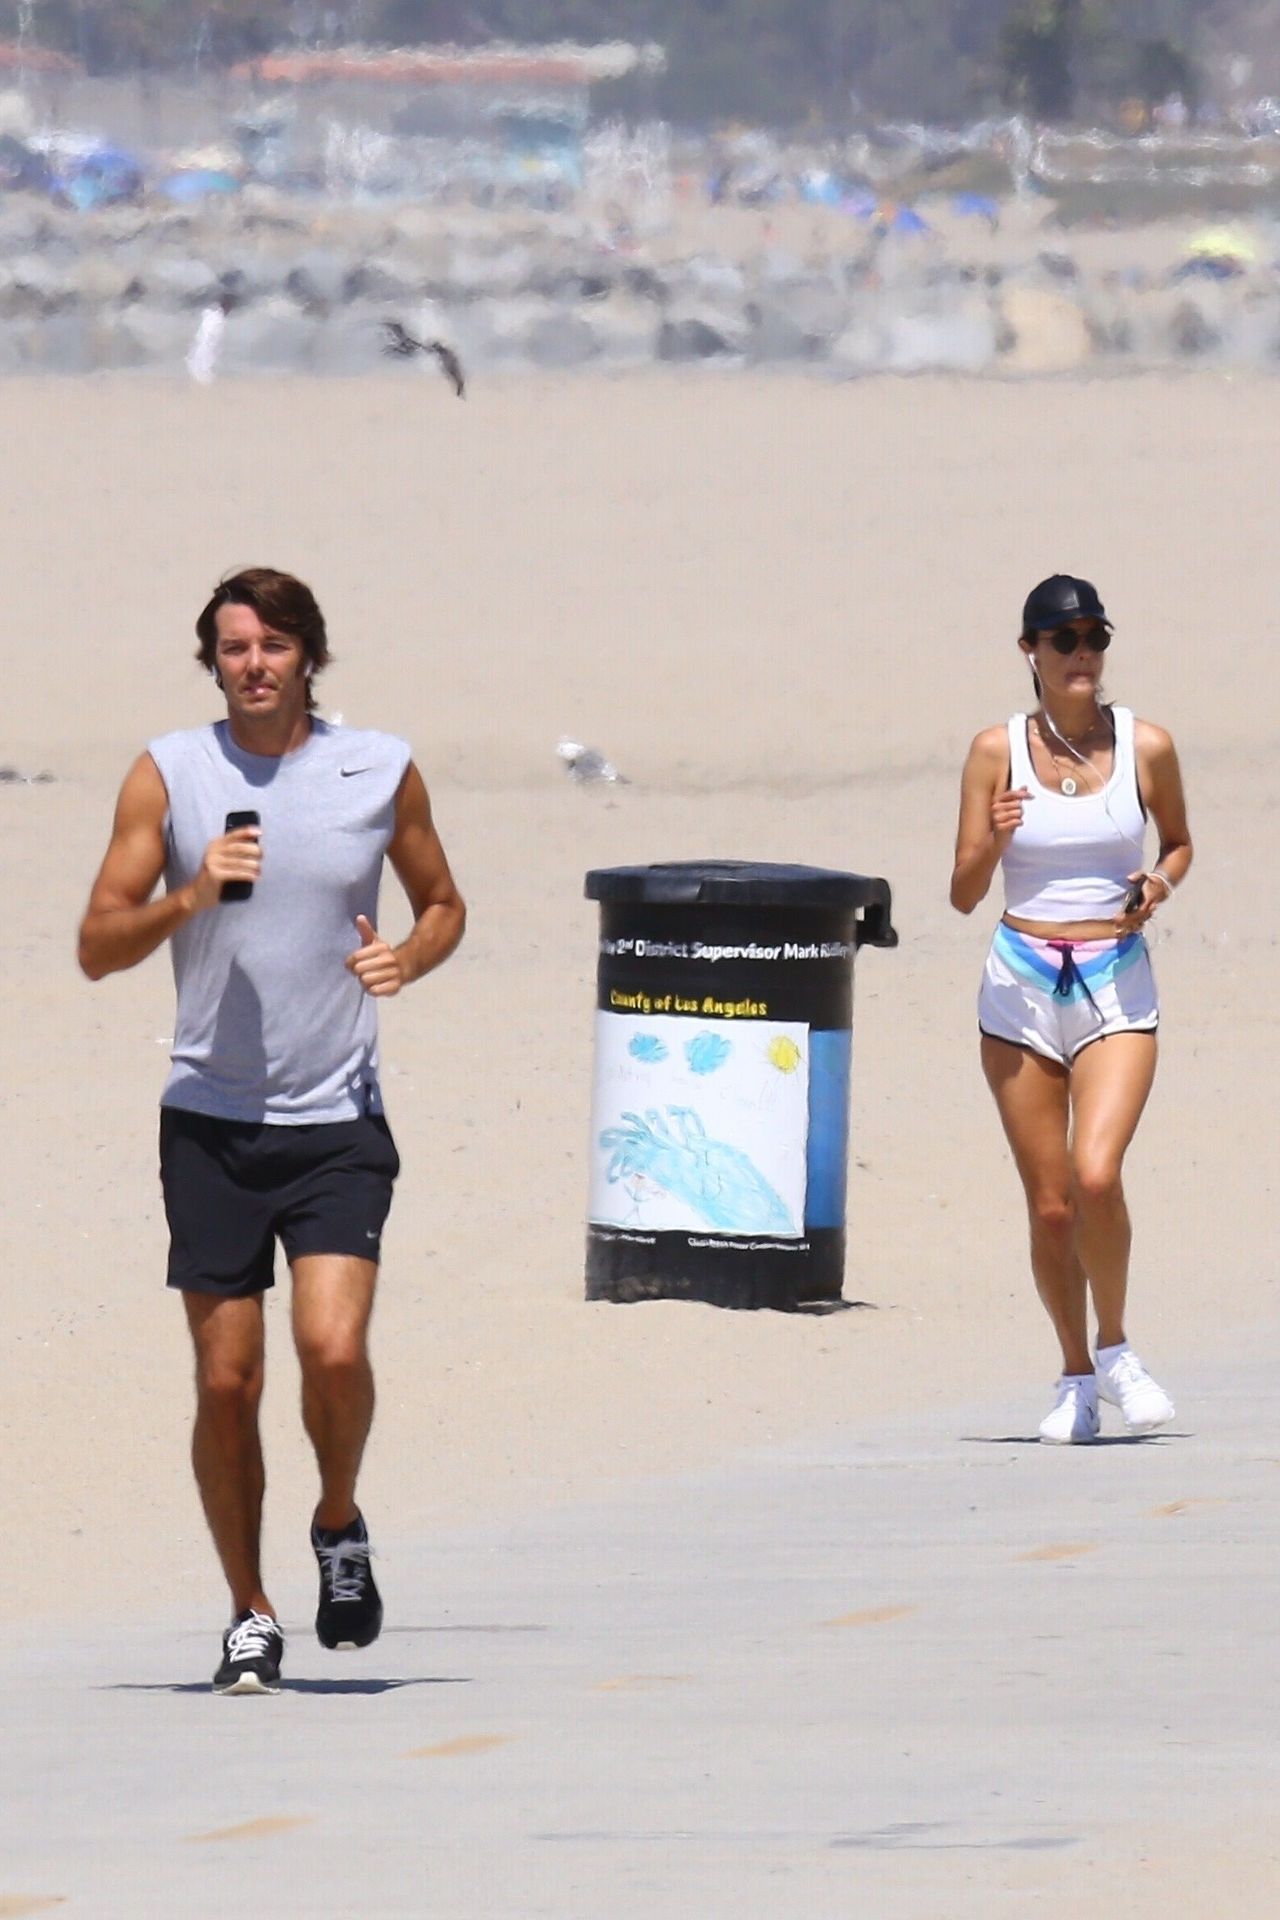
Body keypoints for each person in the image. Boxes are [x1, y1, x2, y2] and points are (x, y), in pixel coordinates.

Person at [78, 567, 466, 1691]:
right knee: (226, 1383)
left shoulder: (376, 767)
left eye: (274, 646)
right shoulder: (171, 772)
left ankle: (337, 1521)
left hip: (337, 1118)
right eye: (235, 647)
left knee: (332, 1350)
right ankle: (249, 1611)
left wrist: (408, 958)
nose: (254, 665)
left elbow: (443, 902)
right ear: (213, 661)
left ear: (310, 658)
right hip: (210, 1124)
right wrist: (189, 897)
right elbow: (97, 945)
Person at [950, 575, 1192, 1444]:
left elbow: (1179, 842)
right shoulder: (995, 751)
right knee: (1051, 1204)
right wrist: (997, 836)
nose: (1082, 653)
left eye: (1095, 638)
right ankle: (1075, 1375)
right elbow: (962, 892)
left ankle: (1118, 1347)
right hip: (1019, 984)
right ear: (1031, 651)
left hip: (1115, 980)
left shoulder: (1146, 744)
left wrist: (1157, 884)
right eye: (1064, 640)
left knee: (1096, 1175)